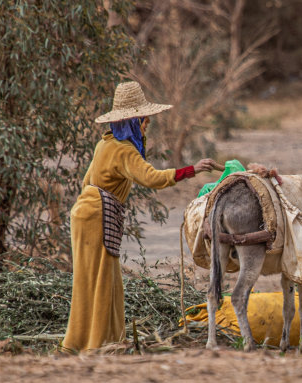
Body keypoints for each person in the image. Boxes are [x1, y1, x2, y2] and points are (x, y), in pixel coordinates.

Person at [62, 81, 222, 352]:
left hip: (85, 212)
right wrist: (192, 170)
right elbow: (152, 178)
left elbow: (87, 180)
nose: (147, 125)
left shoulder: (107, 143)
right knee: (101, 281)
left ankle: (100, 340)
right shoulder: (124, 150)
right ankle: (94, 344)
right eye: (144, 120)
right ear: (134, 121)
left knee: (99, 279)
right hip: (96, 216)